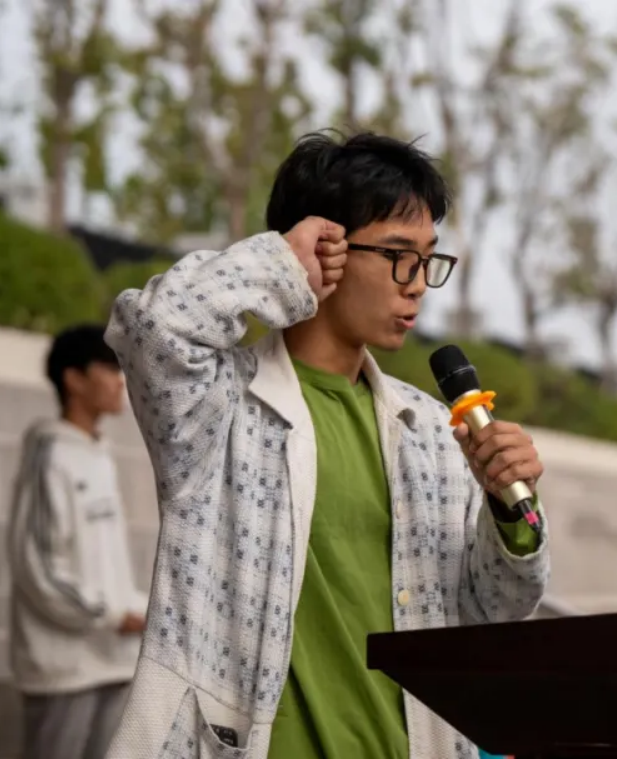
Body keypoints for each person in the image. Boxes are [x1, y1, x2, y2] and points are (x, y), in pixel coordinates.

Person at [102, 130, 551, 759]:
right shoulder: (219, 404)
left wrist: (508, 511)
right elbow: (151, 325)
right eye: (398, 255)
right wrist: (278, 263)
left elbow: (493, 611)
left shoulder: (431, 430)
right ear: (325, 247)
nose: (417, 284)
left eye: (428, 259)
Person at [5, 324, 150, 759]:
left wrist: (139, 610)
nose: (120, 380)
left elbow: (104, 565)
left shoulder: (98, 455)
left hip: (112, 660)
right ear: (74, 379)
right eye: (109, 368)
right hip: (63, 669)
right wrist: (112, 615)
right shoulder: (50, 457)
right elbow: (39, 568)